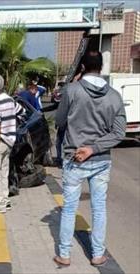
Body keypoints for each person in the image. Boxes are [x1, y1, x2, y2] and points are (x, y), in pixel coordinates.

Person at [54, 50, 126, 267]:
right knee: (99, 208)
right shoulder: (114, 96)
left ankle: (64, 255)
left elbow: (58, 120)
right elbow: (119, 133)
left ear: (82, 67)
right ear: (102, 68)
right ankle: (97, 254)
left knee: (69, 208)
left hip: (74, 157)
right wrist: (94, 148)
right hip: (101, 160)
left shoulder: (73, 90)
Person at [0, 75, 25, 213]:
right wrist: (12, 127)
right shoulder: (10, 100)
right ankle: (5, 200)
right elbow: (22, 112)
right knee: (3, 172)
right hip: (9, 142)